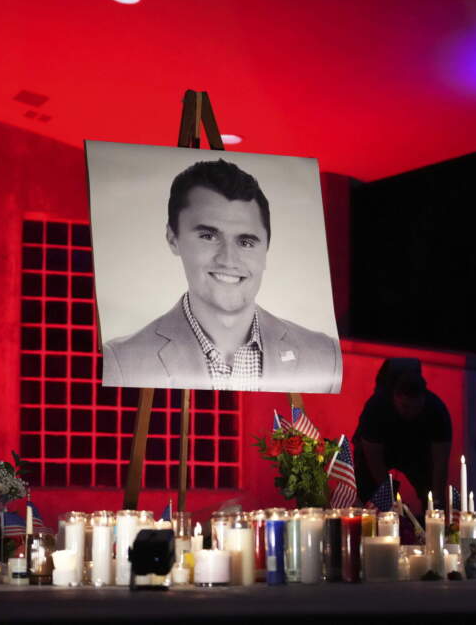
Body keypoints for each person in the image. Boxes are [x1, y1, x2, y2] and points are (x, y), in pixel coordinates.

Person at [102, 159, 341, 393]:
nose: (228, 259)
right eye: (208, 236)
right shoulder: (121, 363)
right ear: (173, 238)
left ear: (266, 248)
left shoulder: (326, 358)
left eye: (246, 242)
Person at [353, 358, 452, 508]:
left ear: (423, 399)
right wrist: (390, 498)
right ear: (394, 397)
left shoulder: (437, 412)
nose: (410, 413)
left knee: (431, 493)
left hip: (417, 449)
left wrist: (437, 503)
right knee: (368, 491)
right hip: (381, 448)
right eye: (405, 407)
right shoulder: (375, 409)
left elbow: (440, 464)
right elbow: (374, 460)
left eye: (416, 407)